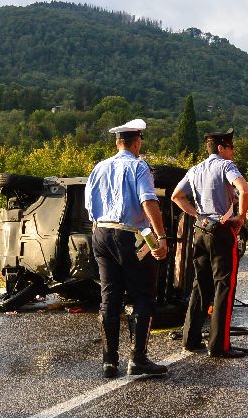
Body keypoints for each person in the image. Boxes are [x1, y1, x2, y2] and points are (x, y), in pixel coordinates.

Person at [84, 118, 169, 379]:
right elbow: (148, 201)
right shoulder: (139, 166)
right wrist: (161, 236)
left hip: (101, 233)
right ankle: (138, 359)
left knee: (109, 297)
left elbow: (89, 206)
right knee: (143, 296)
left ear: (118, 143)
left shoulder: (99, 167)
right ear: (137, 143)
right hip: (130, 235)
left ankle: (109, 362)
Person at [172, 129, 248, 358]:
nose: (233, 152)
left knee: (200, 284)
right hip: (221, 230)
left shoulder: (195, 169)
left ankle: (190, 339)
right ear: (221, 148)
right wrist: (241, 217)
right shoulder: (226, 166)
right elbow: (244, 190)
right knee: (224, 287)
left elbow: (177, 196)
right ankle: (219, 346)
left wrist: (196, 215)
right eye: (230, 147)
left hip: (200, 230)